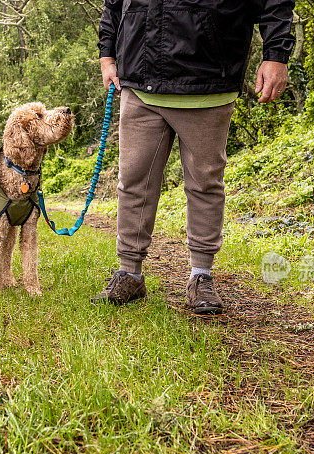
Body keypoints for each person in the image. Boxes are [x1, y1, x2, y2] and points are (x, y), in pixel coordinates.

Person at [92, 0, 295, 314]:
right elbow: (114, 4)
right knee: (133, 182)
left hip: (209, 79)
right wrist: (107, 54)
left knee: (205, 184)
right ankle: (129, 272)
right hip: (139, 80)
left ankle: (201, 275)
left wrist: (276, 54)